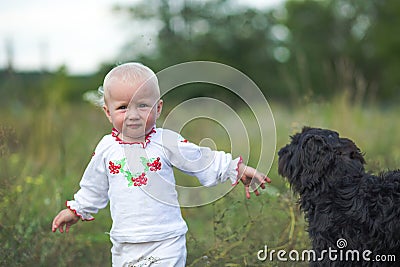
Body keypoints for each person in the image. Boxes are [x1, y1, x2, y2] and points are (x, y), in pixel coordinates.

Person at [52, 62, 270, 266]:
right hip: (125, 242)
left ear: (158, 108)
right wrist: (77, 209)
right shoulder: (106, 148)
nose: (133, 115)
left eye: (143, 105)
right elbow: (94, 185)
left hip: (167, 240)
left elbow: (199, 158)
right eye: (123, 107)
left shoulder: (166, 142)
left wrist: (236, 168)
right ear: (108, 112)